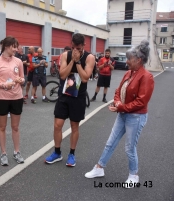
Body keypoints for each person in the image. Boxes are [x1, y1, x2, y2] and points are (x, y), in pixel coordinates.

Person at [85, 40, 154, 188]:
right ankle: (99, 168)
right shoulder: (129, 73)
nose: (127, 62)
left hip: (136, 117)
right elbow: (118, 91)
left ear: (139, 60)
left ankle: (133, 175)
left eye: (129, 59)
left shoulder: (146, 77)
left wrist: (121, 107)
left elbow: (141, 102)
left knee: (130, 148)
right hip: (123, 114)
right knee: (110, 142)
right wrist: (117, 103)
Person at [45, 33, 95, 167]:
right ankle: (57, 152)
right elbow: (62, 75)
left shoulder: (90, 57)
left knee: (74, 126)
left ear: (84, 45)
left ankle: (72, 154)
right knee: (57, 125)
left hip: (78, 97)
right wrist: (72, 60)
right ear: (71, 44)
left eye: (79, 48)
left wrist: (78, 62)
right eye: (74, 47)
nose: (76, 50)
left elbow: (85, 78)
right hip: (64, 95)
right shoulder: (65, 55)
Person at [0, 36, 25, 166]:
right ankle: (3, 153)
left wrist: (21, 80)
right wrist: (3, 85)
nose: (16, 49)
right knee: (2, 127)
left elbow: (22, 78)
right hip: (2, 98)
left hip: (17, 97)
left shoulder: (18, 61)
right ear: (7, 46)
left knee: (15, 127)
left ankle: (17, 151)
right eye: (14, 47)